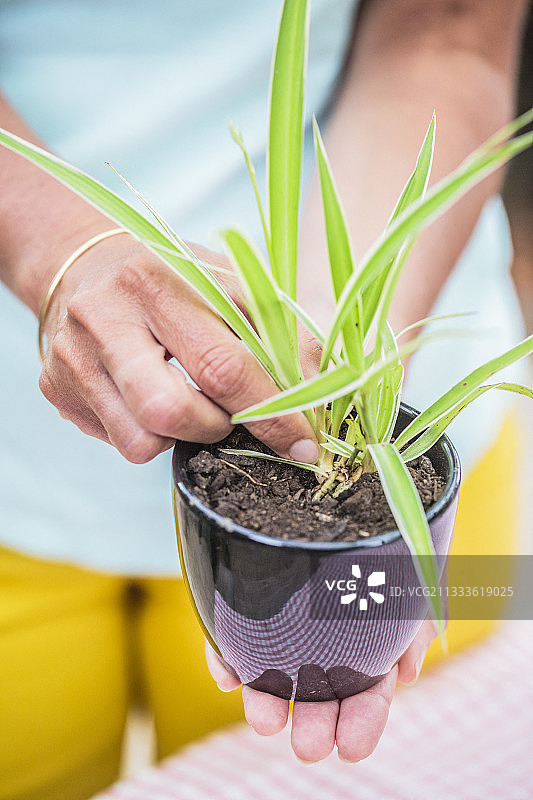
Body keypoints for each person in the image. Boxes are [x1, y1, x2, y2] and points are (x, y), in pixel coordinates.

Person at [0, 0, 529, 797]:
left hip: (407, 366)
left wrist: (334, 349)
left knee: (420, 757)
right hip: (14, 476)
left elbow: (450, 32)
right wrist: (52, 243)